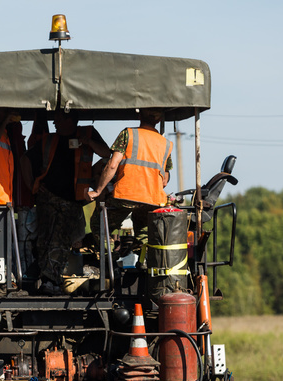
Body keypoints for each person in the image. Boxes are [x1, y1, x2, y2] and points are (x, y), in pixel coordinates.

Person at [23, 110, 110, 294]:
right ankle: (45, 279)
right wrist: (31, 184)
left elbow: (106, 154)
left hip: (72, 200)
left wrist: (89, 143)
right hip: (48, 197)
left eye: (59, 119)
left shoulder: (88, 133)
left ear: (71, 120)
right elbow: (26, 159)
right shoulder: (48, 140)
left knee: (61, 241)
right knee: (45, 240)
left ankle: (50, 280)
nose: (55, 122)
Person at [86, 108, 173, 253]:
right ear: (158, 120)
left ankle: (111, 263)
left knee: (99, 224)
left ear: (139, 115)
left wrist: (98, 190)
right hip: (153, 199)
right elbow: (164, 180)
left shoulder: (128, 134)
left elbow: (113, 164)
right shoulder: (166, 144)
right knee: (144, 232)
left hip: (126, 195)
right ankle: (144, 263)